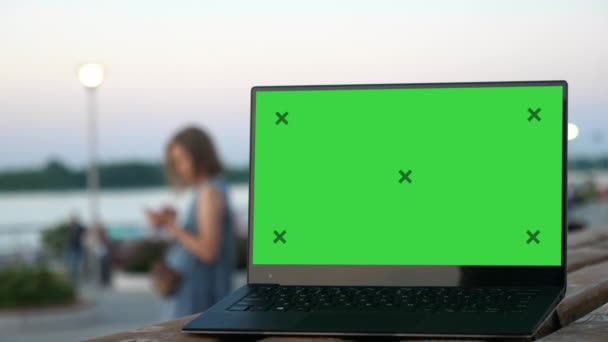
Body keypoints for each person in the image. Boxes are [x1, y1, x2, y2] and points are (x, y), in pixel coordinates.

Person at [146, 126, 234, 319]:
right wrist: (174, 223)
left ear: (198, 156)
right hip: (193, 296)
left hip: (197, 299)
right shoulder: (209, 188)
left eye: (181, 160)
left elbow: (208, 251)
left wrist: (172, 226)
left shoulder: (209, 191)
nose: (179, 168)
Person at [66, 214, 86, 284]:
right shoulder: (70, 227)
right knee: (72, 263)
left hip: (79, 247)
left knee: (77, 264)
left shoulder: (81, 228)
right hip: (71, 247)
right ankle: (73, 277)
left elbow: (85, 236)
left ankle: (76, 278)